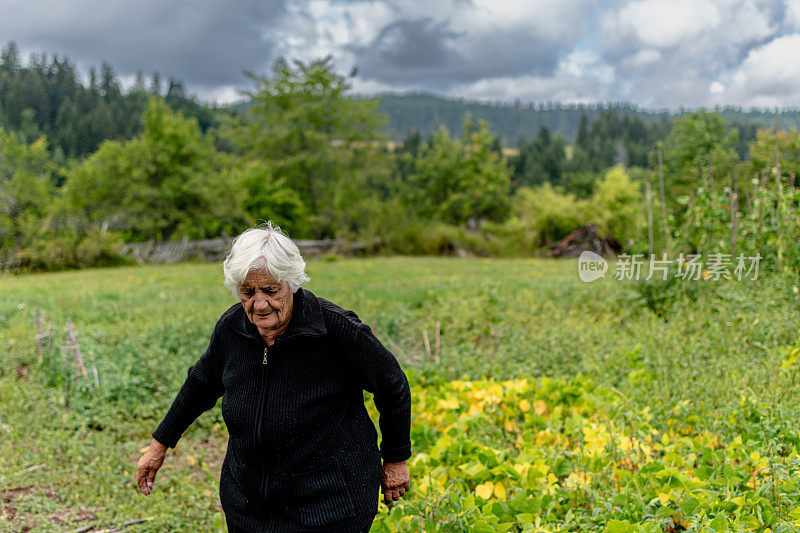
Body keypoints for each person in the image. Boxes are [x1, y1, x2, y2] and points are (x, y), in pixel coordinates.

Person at [135, 224, 412, 532]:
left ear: (291, 283)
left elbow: (393, 386)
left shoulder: (336, 330)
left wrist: (396, 459)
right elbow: (201, 383)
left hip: (328, 505)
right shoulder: (232, 328)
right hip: (250, 504)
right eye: (248, 291)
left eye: (270, 290)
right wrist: (159, 445)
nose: (259, 304)